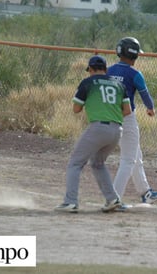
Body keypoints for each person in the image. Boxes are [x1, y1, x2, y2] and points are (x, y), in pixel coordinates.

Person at [56, 55, 132, 213]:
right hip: (117, 130)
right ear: (105, 69)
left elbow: (76, 109)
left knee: (75, 163)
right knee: (98, 163)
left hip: (98, 128)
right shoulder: (118, 84)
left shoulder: (88, 82)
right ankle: (112, 199)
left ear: (90, 69)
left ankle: (70, 202)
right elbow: (127, 110)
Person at [107, 37, 157, 206]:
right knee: (128, 160)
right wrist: (151, 108)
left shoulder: (109, 70)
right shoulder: (135, 74)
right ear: (134, 56)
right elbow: (145, 95)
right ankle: (114, 198)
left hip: (110, 117)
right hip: (127, 119)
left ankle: (145, 192)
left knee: (135, 155)